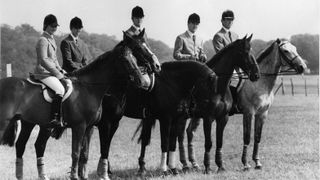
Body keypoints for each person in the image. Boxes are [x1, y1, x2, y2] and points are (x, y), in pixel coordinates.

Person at [173, 13, 206, 171]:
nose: (194, 26)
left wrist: (203, 56)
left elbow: (202, 54)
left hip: (197, 77)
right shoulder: (181, 38)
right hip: (185, 77)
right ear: (188, 24)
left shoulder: (200, 40)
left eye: (196, 24)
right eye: (192, 23)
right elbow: (176, 55)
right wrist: (189, 56)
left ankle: (192, 159)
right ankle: (183, 160)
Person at [34, 14, 70, 127]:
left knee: (68, 83)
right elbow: (44, 60)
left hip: (51, 72)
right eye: (53, 26)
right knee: (59, 89)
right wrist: (58, 74)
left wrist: (61, 70)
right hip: (43, 73)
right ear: (46, 26)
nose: (55, 28)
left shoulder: (51, 39)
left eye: (56, 26)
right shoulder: (43, 40)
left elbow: (54, 59)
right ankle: (54, 118)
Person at [212, 9, 241, 114]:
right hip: (224, 66)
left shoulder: (235, 36)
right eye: (227, 20)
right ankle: (232, 104)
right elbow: (220, 54)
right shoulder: (218, 36)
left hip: (236, 65)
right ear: (222, 21)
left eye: (231, 20)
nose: (230, 22)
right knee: (235, 78)